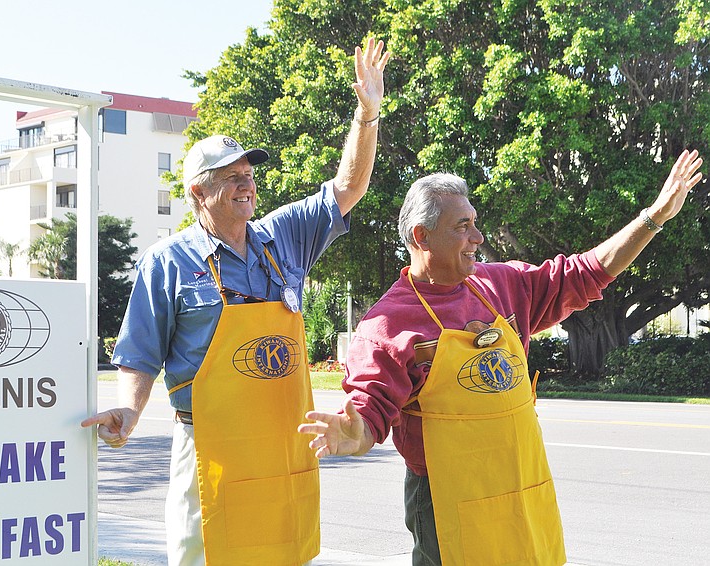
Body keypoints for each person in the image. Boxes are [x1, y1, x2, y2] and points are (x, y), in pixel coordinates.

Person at [298, 150, 704, 565]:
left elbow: (586, 272)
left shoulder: (503, 284)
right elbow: (370, 410)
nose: (478, 237)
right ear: (422, 236)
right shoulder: (386, 324)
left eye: (475, 223)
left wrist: (654, 217)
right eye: (463, 226)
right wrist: (357, 433)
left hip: (521, 484)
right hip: (447, 498)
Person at [81, 38, 389, 566]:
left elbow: (349, 185)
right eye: (232, 178)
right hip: (210, 451)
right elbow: (139, 354)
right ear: (198, 193)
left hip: (283, 448)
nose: (248, 185)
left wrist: (367, 115)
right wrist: (129, 412)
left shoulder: (284, 235)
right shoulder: (167, 262)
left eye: (249, 175)